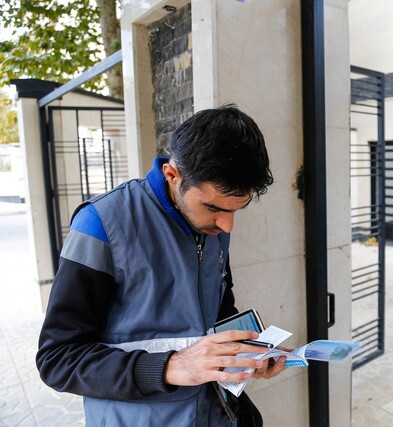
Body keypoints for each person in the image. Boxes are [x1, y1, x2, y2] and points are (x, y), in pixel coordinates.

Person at [36, 104, 286, 426]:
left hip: (217, 414)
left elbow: (218, 309)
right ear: (172, 175)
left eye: (236, 209)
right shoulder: (100, 223)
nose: (227, 226)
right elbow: (57, 360)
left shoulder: (214, 226)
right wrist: (172, 366)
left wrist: (248, 353)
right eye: (214, 208)